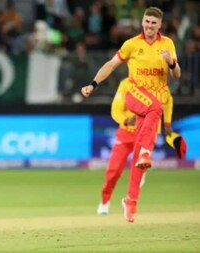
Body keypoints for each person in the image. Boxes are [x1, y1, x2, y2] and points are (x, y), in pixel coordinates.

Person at [81, 7, 181, 222]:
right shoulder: (132, 44)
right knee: (156, 108)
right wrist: (93, 84)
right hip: (135, 94)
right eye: (146, 21)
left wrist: (171, 62)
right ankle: (105, 200)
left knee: (139, 163)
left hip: (152, 109)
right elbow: (111, 65)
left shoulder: (168, 44)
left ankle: (131, 201)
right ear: (142, 22)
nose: (149, 25)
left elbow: (177, 74)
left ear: (160, 25)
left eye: (153, 23)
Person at [96, 78, 177, 215]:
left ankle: (131, 196)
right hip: (126, 132)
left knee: (140, 167)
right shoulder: (126, 84)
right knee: (113, 172)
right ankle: (105, 201)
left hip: (147, 132)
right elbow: (115, 109)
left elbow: (168, 101)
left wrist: (167, 123)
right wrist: (126, 120)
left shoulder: (159, 84)